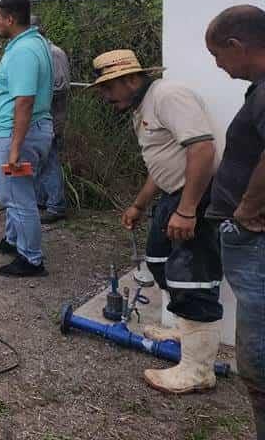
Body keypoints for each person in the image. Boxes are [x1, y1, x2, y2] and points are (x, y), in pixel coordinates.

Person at [92, 48, 222, 394]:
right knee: (160, 261)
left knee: (193, 279)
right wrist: (138, 205)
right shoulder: (142, 106)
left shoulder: (167, 96)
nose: (105, 96)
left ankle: (198, 370)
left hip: (196, 196)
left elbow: (202, 150)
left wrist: (188, 209)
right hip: (172, 195)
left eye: (108, 88)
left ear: (131, 79)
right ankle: (185, 330)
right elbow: (161, 162)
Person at [205, 5, 265, 432]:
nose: (219, 66)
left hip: (255, 237)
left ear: (237, 45)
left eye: (218, 56)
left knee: (258, 355)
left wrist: (246, 211)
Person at [0, 0, 54, 277]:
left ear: (10, 19)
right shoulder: (32, 44)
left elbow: (24, 101)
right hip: (25, 130)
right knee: (16, 194)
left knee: (16, 196)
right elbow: (20, 89)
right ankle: (13, 240)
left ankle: (31, 258)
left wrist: (15, 149)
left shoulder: (23, 51)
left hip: (17, 134)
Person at [31, 14, 70, 223]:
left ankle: (56, 205)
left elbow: (60, 86)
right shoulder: (41, 52)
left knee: (50, 160)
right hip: (41, 117)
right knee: (40, 160)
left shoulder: (53, 53)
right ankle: (41, 200)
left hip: (53, 117)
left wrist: (31, 93)